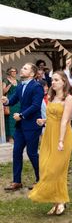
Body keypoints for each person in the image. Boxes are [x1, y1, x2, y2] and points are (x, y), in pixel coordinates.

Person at [28, 72, 72, 215]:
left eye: (56, 80)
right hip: (49, 135)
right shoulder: (51, 97)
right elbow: (53, 116)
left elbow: (64, 120)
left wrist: (60, 141)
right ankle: (56, 201)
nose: (52, 82)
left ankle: (60, 201)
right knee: (45, 166)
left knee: (55, 169)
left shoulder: (69, 98)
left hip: (63, 136)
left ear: (64, 82)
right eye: (52, 80)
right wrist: (44, 121)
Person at [2, 63, 44, 191]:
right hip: (20, 126)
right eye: (23, 67)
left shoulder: (37, 87)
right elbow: (13, 100)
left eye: (25, 68)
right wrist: (6, 101)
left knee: (32, 153)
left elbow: (36, 105)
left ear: (32, 74)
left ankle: (40, 180)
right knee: (16, 152)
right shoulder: (20, 85)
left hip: (32, 125)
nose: (21, 69)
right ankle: (16, 181)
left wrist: (22, 115)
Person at [2, 67, 19, 141]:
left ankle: (16, 136)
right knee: (10, 120)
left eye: (15, 71)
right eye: (12, 71)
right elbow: (3, 91)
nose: (14, 73)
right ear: (9, 72)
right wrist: (10, 85)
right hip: (9, 101)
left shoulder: (18, 81)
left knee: (17, 119)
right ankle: (10, 137)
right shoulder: (5, 80)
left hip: (18, 103)